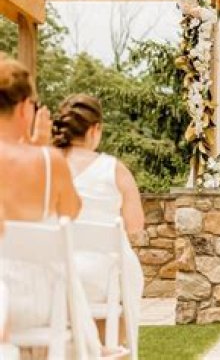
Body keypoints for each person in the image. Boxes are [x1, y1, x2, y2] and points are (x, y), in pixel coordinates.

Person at [0, 55, 111, 358]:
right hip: (35, 302)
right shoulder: (50, 162)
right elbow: (72, 212)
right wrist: (38, 148)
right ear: (24, 107)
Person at [52, 93, 145, 348]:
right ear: (95, 130)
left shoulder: (47, 166)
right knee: (124, 271)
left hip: (57, 277)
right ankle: (114, 345)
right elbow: (135, 226)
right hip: (102, 281)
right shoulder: (114, 169)